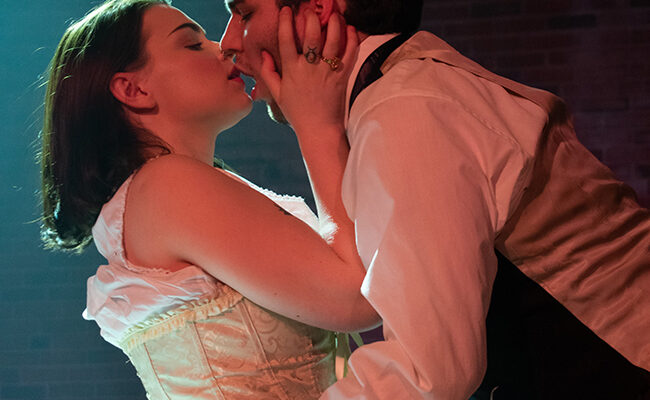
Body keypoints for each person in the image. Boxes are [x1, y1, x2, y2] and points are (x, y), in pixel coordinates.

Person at [220, 0, 650, 398]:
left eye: (243, 14)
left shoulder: (404, 109)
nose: (227, 43)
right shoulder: (410, 81)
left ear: (318, 6)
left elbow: (428, 370)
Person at [40, 0, 380, 398]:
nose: (225, 46)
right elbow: (359, 296)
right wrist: (316, 127)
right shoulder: (166, 186)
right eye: (192, 44)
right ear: (133, 89)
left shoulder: (170, 190)